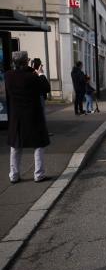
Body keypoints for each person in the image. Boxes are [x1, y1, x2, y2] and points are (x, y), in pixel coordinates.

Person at [6, 51, 51, 183]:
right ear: (26, 62)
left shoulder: (8, 76)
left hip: (16, 117)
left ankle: (13, 175)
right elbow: (46, 88)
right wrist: (40, 72)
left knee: (15, 146)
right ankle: (39, 174)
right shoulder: (32, 77)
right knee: (38, 145)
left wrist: (30, 68)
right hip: (33, 115)